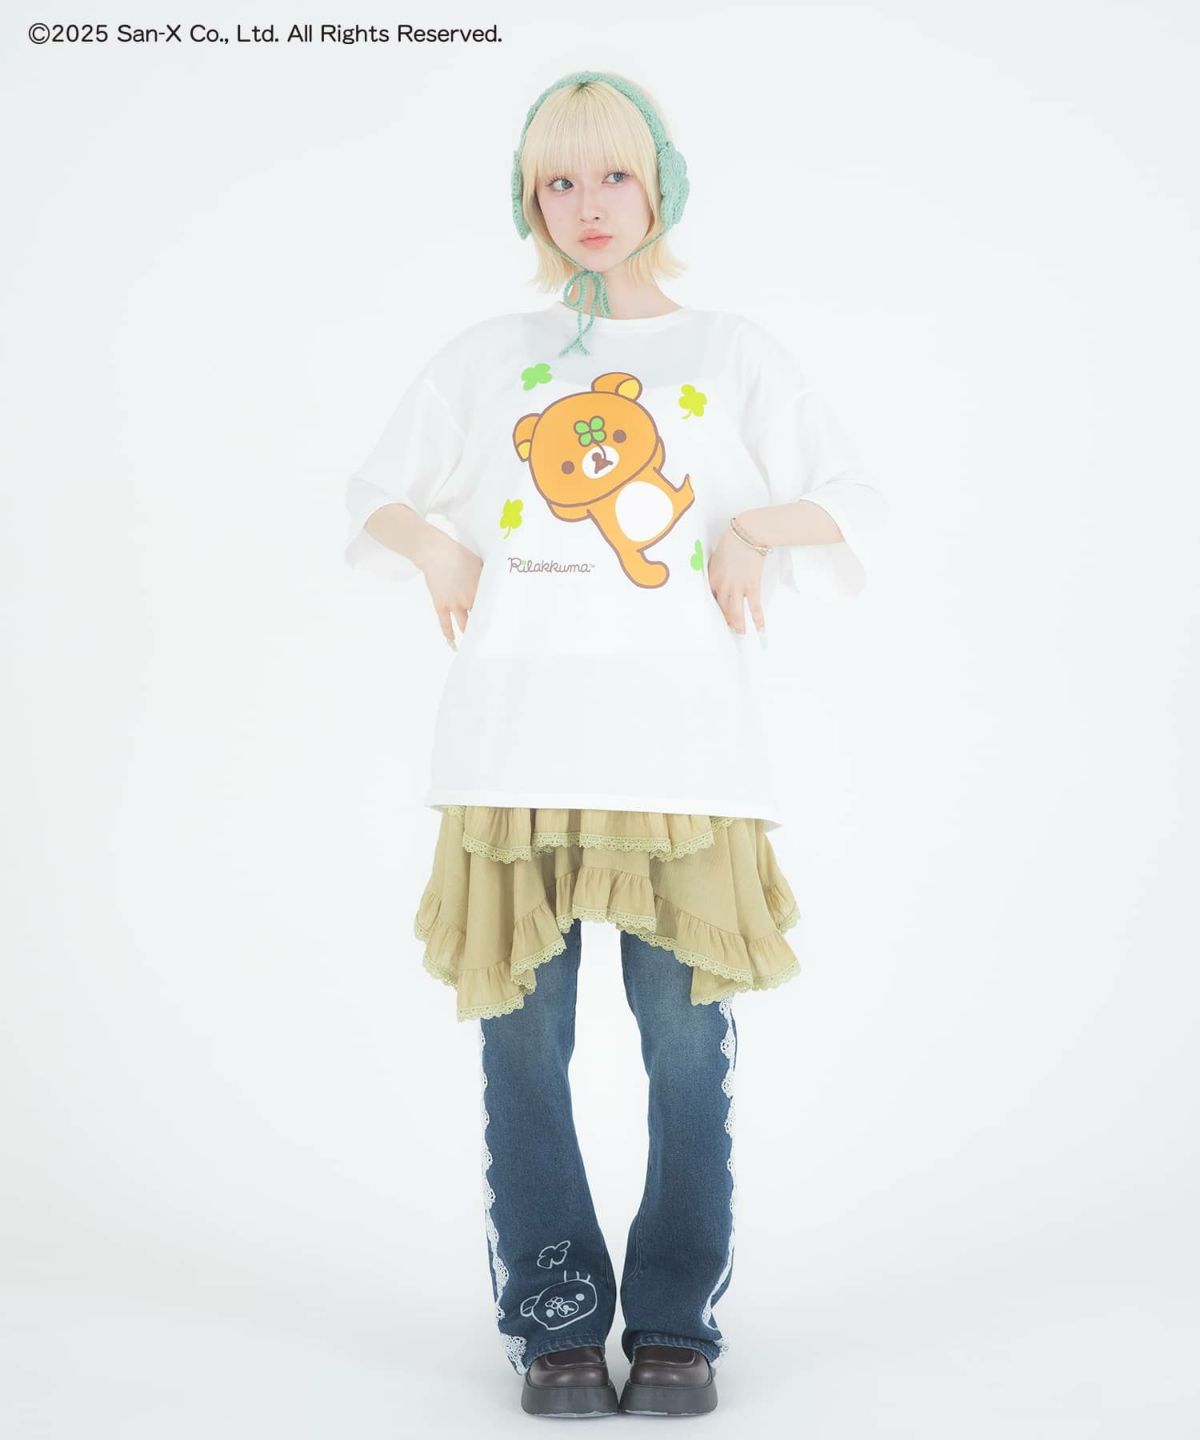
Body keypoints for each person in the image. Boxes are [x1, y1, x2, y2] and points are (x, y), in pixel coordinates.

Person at [343, 69, 887, 1417]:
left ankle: (677, 1324)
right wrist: (436, 549)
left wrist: (755, 527)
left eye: (615, 175)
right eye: (558, 181)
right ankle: (555, 1327)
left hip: (684, 755)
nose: (589, 205)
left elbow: (851, 495)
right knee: (522, 1052)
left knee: (684, 1053)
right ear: (529, 200)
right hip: (514, 750)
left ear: (661, 187)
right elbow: (372, 493)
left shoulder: (731, 352)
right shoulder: (489, 356)